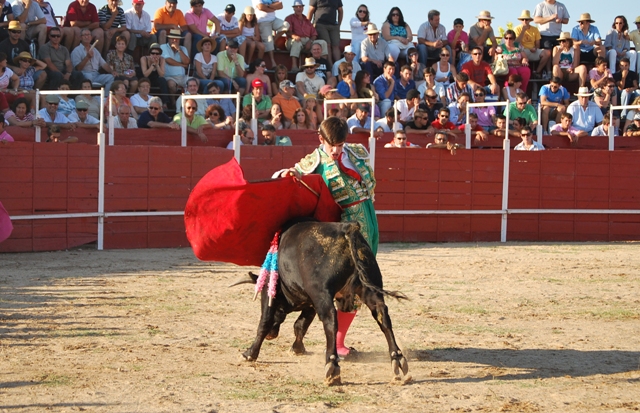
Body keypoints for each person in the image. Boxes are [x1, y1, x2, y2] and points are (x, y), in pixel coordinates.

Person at [276, 116, 377, 357]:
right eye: (332, 145)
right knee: (350, 284)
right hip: (344, 227)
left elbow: (370, 184)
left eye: (340, 145)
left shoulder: (355, 152)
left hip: (369, 220)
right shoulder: (316, 159)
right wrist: (287, 173)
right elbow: (294, 172)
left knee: (361, 283)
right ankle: (336, 344)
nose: (336, 150)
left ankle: (337, 342)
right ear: (321, 140)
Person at [0, 20, 46, 91]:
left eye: (19, 32)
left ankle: (34, 92)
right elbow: (1, 62)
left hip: (25, 69)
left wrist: (28, 64)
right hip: (8, 70)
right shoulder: (3, 45)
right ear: (9, 32)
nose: (17, 34)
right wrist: (13, 68)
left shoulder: (24, 44)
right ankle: (16, 93)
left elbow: (29, 58)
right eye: (14, 31)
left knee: (43, 74)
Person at [71, 28, 115, 92]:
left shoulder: (95, 50)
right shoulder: (76, 51)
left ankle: (105, 98)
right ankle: (89, 96)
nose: (87, 37)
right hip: (85, 74)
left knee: (110, 77)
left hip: (96, 75)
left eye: (89, 35)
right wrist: (87, 58)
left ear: (91, 37)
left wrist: (111, 71)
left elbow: (103, 64)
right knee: (88, 76)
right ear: (80, 38)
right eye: (85, 35)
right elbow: (77, 68)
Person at [285, 0, 321, 71]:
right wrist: (294, 36)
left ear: (303, 8)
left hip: (307, 40)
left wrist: (310, 41)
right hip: (292, 40)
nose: (299, 8)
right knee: (297, 42)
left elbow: (314, 34)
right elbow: (287, 31)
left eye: (300, 7)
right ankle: (294, 67)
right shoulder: (289, 18)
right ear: (294, 8)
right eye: (297, 7)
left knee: (322, 43)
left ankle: (322, 64)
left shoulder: (307, 20)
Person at [514, 10, 550, 79]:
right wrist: (523, 30)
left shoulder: (535, 29)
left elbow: (537, 44)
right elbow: (516, 43)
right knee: (518, 52)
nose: (525, 21)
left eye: (526, 19)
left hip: (532, 50)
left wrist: (535, 48)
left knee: (547, 52)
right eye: (523, 19)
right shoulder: (517, 29)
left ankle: (537, 72)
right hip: (521, 51)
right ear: (520, 20)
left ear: (529, 20)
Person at [307, 0, 342, 66]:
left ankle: (339, 66)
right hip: (320, 24)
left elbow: (340, 10)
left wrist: (339, 24)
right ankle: (330, 65)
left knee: (336, 45)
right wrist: (307, 25)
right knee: (327, 44)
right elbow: (311, 10)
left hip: (334, 25)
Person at [252, 0, 286, 69]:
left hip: (273, 19)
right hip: (262, 21)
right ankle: (273, 62)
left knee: (286, 25)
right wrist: (274, 7)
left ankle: (274, 40)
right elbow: (261, 7)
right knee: (269, 40)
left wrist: (268, 6)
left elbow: (281, 5)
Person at [139, 42, 169, 108]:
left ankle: (165, 102)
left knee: (163, 80)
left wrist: (157, 65)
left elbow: (162, 74)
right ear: (150, 53)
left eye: (157, 53)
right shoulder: (144, 59)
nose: (155, 55)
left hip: (155, 78)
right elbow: (145, 74)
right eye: (153, 53)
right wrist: (152, 65)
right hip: (145, 78)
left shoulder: (162, 59)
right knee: (145, 81)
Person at [160, 29, 188, 96]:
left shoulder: (183, 48)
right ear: (169, 39)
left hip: (183, 77)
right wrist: (182, 65)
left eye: (177, 39)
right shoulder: (163, 47)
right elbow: (169, 61)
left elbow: (186, 62)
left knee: (195, 82)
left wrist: (179, 50)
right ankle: (173, 103)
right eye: (172, 39)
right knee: (171, 85)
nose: (174, 41)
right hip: (169, 76)